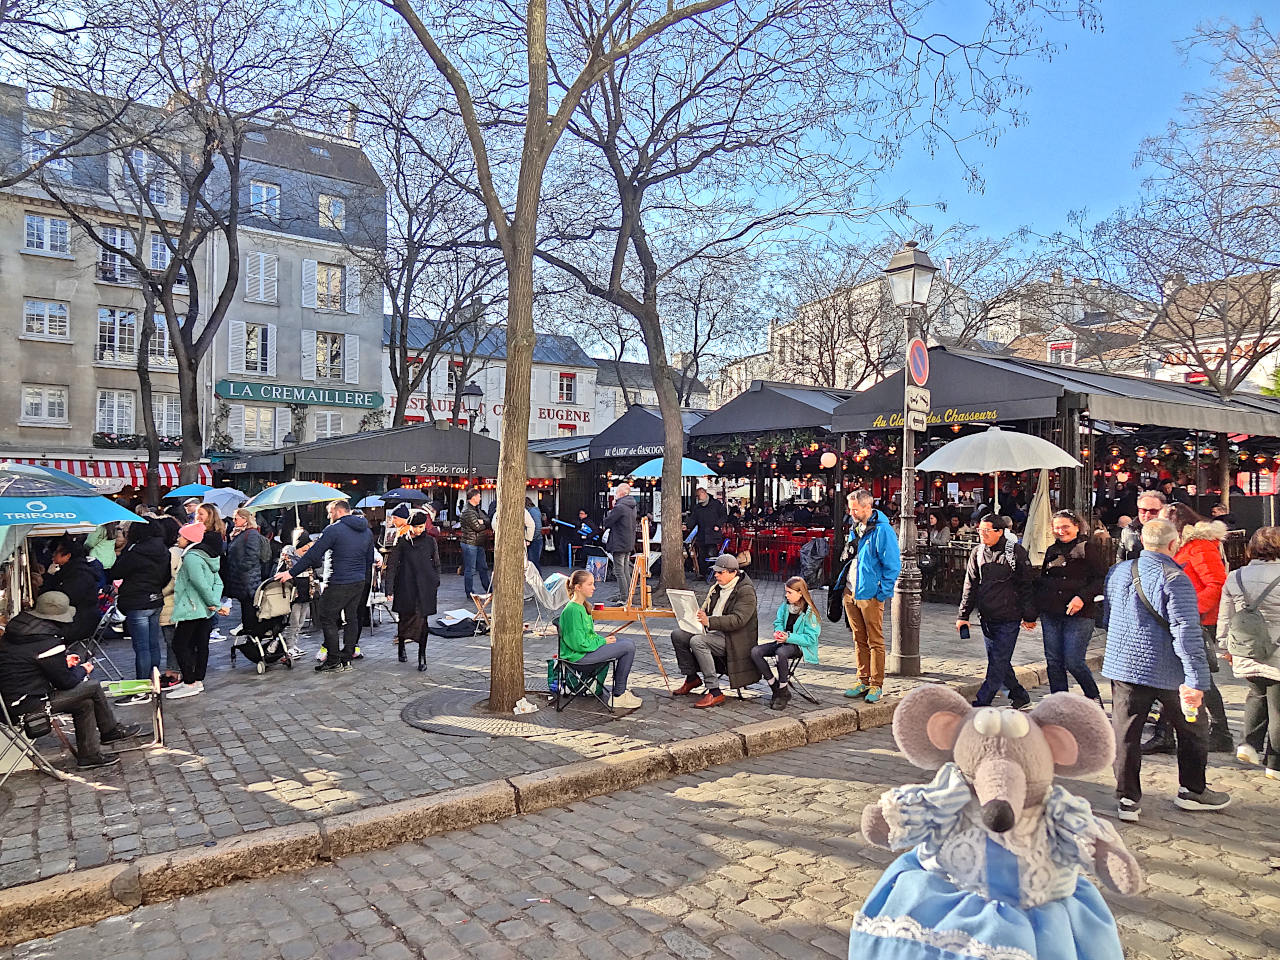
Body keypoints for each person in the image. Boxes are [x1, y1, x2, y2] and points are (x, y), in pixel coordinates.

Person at [1101, 517, 1230, 821]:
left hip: (1125, 666)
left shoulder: (1118, 571)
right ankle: (1193, 790)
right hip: (1169, 670)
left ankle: (1127, 799)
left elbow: (1108, 615)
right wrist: (1197, 680)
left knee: (1126, 733)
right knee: (1194, 729)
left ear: (1143, 541)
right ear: (1174, 544)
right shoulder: (1175, 577)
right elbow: (1186, 631)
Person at [0, 592, 141, 769]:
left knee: (85, 704)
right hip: (26, 705)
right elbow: (66, 682)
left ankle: (89, 755)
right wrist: (82, 669)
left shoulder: (17, 634)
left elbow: (28, 664)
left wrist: (62, 662)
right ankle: (110, 731)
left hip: (9, 702)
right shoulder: (48, 642)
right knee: (93, 686)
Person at [1151, 503, 1232, 752]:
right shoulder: (1181, 546)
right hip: (1179, 617)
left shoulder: (1199, 546)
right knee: (1175, 674)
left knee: (1198, 675)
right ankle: (1165, 734)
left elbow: (1217, 583)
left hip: (1195, 620)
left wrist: (1192, 610)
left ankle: (1220, 731)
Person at [277, 499, 374, 672]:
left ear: (338, 511)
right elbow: (368, 559)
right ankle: (347, 655)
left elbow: (312, 555)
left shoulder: (333, 530)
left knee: (327, 618)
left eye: (330, 513)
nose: (329, 516)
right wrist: (364, 579)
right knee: (351, 617)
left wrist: (290, 573)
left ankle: (333, 659)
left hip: (338, 581)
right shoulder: (366, 531)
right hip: (358, 581)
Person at [1218, 526, 1280, 779]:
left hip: (1246, 648)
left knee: (1256, 694)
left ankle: (1249, 744)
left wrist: (1224, 645)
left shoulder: (1236, 576)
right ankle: (1275, 763)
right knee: (1278, 706)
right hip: (1276, 649)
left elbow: (1226, 615)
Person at [957, 514, 1036, 710]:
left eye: (987, 531)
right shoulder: (978, 552)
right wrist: (963, 615)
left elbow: (1027, 586)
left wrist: (1029, 615)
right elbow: (970, 585)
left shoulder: (1015, 552)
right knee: (998, 660)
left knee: (998, 661)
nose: (982, 534)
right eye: (980, 530)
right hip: (987, 616)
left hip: (1009, 616)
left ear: (999, 532)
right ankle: (1020, 696)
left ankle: (982, 702)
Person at [1035, 509, 1107, 709]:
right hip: (1052, 612)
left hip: (1080, 614)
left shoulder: (1087, 548)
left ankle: (1092, 696)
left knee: (1073, 660)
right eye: (1057, 527)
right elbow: (1044, 579)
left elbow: (1101, 578)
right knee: (1054, 661)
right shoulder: (1051, 550)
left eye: (1065, 527)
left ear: (1076, 527)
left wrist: (1082, 597)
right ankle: (1060, 703)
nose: (1061, 531)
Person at [669, 553, 761, 707]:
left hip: (735, 639)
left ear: (733, 573)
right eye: (716, 571)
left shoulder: (745, 591)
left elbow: (739, 620)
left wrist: (709, 621)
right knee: (678, 635)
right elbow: (709, 610)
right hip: (715, 632)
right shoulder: (718, 587)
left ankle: (715, 691)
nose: (716, 575)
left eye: (720, 572)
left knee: (698, 641)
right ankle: (692, 678)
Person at [839, 489, 901, 705]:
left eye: (855, 509)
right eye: (850, 508)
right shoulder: (856, 528)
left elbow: (893, 565)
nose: (851, 512)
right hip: (852, 589)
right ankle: (862, 679)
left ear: (867, 507)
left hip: (870, 593)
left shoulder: (883, 531)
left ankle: (876, 683)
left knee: (875, 640)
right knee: (859, 638)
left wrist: (881, 592)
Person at [558, 570, 642, 709]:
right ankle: (619, 695)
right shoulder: (573, 610)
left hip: (583, 652)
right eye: (590, 584)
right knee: (628, 647)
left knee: (626, 643)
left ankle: (620, 693)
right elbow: (579, 644)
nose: (594, 587)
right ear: (578, 587)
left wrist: (603, 640)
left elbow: (587, 636)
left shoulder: (581, 607)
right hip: (578, 657)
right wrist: (602, 642)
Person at [110, 519, 171, 689]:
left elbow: (117, 572)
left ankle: (142, 686)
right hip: (156, 599)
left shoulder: (135, 551)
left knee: (142, 647)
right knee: (153, 644)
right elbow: (166, 576)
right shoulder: (163, 550)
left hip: (137, 601)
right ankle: (154, 680)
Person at [166, 523, 224, 700]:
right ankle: (197, 679)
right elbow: (217, 582)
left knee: (180, 644)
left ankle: (190, 681)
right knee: (200, 644)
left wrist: (214, 603)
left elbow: (200, 583)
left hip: (192, 607)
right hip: (203, 609)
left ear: (189, 539)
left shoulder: (191, 557)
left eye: (181, 536)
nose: (178, 539)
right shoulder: (207, 556)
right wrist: (214, 603)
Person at [750, 576, 820, 710]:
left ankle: (783, 688)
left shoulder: (810, 612)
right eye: (786, 592)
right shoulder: (785, 606)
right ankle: (774, 686)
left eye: (789, 592)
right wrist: (779, 632)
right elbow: (778, 622)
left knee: (780, 652)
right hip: (783, 640)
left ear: (800, 593)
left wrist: (788, 637)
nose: (786, 595)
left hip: (799, 645)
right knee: (755, 651)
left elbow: (811, 639)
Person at [385, 509, 440, 671]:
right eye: (416, 527)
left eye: (421, 527)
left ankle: (422, 656)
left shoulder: (430, 542)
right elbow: (392, 566)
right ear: (410, 526)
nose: (418, 530)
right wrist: (389, 589)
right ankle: (401, 644)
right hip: (406, 586)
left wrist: (436, 581)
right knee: (404, 619)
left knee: (423, 622)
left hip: (425, 587)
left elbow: (436, 563)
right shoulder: (402, 541)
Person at [42, 538, 102, 644]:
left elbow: (64, 598)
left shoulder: (79, 574)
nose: (53, 555)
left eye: (57, 552)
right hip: (76, 618)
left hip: (79, 622)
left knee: (39, 628)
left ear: (68, 556)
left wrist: (49, 577)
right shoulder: (70, 571)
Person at [224, 508, 272, 640]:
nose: (234, 521)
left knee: (249, 609)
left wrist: (240, 567)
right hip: (241, 579)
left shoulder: (251, 534)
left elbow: (252, 556)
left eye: (236, 518)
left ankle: (253, 635)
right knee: (246, 608)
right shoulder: (239, 534)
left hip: (247, 579)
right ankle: (251, 634)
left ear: (245, 519)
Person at [278, 531, 313, 654]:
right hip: (294, 596)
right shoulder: (287, 558)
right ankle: (289, 646)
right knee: (293, 622)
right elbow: (279, 574)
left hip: (306, 593)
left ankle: (294, 644)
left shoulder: (308, 560)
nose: (307, 551)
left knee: (301, 622)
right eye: (305, 549)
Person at [602, 483, 638, 600]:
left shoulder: (620, 507)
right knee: (625, 570)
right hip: (628, 541)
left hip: (619, 542)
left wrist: (612, 508)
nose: (615, 495)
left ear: (621, 493)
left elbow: (607, 522)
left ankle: (624, 597)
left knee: (619, 571)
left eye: (616, 492)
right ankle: (628, 595)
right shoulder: (632, 505)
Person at [457, 488, 492, 599]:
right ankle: (470, 592)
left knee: (483, 567)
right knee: (470, 569)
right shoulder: (468, 511)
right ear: (474, 497)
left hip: (478, 542)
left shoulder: (476, 509)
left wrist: (483, 522)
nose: (480, 498)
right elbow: (477, 527)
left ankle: (489, 589)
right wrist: (483, 523)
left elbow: (487, 519)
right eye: (479, 496)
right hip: (470, 542)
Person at [1115, 489, 1164, 562]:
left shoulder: (1170, 533)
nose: (1147, 515)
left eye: (1153, 511)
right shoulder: (1128, 531)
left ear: (1162, 511)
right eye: (1143, 511)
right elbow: (1120, 559)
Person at [689, 486, 727, 577]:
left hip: (713, 534)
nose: (698, 499)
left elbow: (724, 516)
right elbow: (693, 519)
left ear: (704, 493)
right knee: (702, 555)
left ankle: (713, 573)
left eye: (699, 496)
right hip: (702, 534)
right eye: (697, 497)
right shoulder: (697, 507)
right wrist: (687, 525)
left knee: (711, 554)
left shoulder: (716, 504)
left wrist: (718, 525)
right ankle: (703, 574)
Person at [526, 496, 544, 571]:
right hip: (535, 539)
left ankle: (537, 580)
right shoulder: (534, 511)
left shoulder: (532, 512)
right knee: (533, 562)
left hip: (534, 540)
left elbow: (537, 527)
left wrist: (530, 538)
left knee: (533, 562)